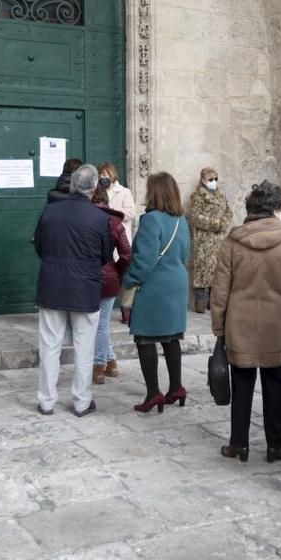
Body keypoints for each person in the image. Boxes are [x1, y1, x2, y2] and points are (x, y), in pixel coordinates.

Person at [211, 181, 281, 463]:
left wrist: (219, 328)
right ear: (277, 208)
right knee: (278, 385)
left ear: (250, 209)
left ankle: (239, 444)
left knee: (242, 385)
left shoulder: (232, 242)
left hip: (239, 326)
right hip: (277, 326)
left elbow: (219, 291)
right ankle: (275, 446)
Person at [33, 164, 113, 417]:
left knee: (49, 346)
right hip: (85, 289)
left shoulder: (50, 211)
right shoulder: (100, 217)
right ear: (93, 188)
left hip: (52, 285)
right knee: (84, 347)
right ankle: (81, 401)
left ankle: (46, 401)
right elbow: (105, 255)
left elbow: (40, 246)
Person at [123, 172, 190, 413]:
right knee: (172, 337)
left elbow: (143, 261)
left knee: (145, 338)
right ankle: (176, 388)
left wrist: (129, 281)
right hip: (177, 282)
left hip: (156, 286)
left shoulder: (151, 220)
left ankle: (153, 393)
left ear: (155, 192)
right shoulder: (181, 220)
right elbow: (183, 254)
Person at [90, 184, 132, 384]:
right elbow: (126, 254)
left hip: (87, 276)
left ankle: (99, 366)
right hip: (109, 276)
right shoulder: (116, 222)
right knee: (102, 322)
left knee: (97, 324)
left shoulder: (84, 220)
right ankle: (111, 361)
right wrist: (117, 271)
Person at [187, 167, 232, 313]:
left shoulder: (221, 195)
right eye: (210, 179)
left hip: (219, 240)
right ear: (203, 180)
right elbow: (195, 217)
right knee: (202, 273)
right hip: (203, 242)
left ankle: (214, 304)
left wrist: (224, 222)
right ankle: (200, 304)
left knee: (218, 272)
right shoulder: (197, 196)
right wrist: (216, 224)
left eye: (215, 179)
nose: (213, 182)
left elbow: (228, 212)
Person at [98, 162, 136, 324]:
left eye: (105, 174)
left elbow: (131, 212)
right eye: (100, 175)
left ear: (112, 175)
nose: (102, 178)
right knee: (109, 276)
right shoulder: (97, 192)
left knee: (125, 276)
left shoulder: (124, 192)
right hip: (104, 239)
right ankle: (104, 308)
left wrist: (112, 211)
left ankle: (125, 308)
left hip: (120, 237)